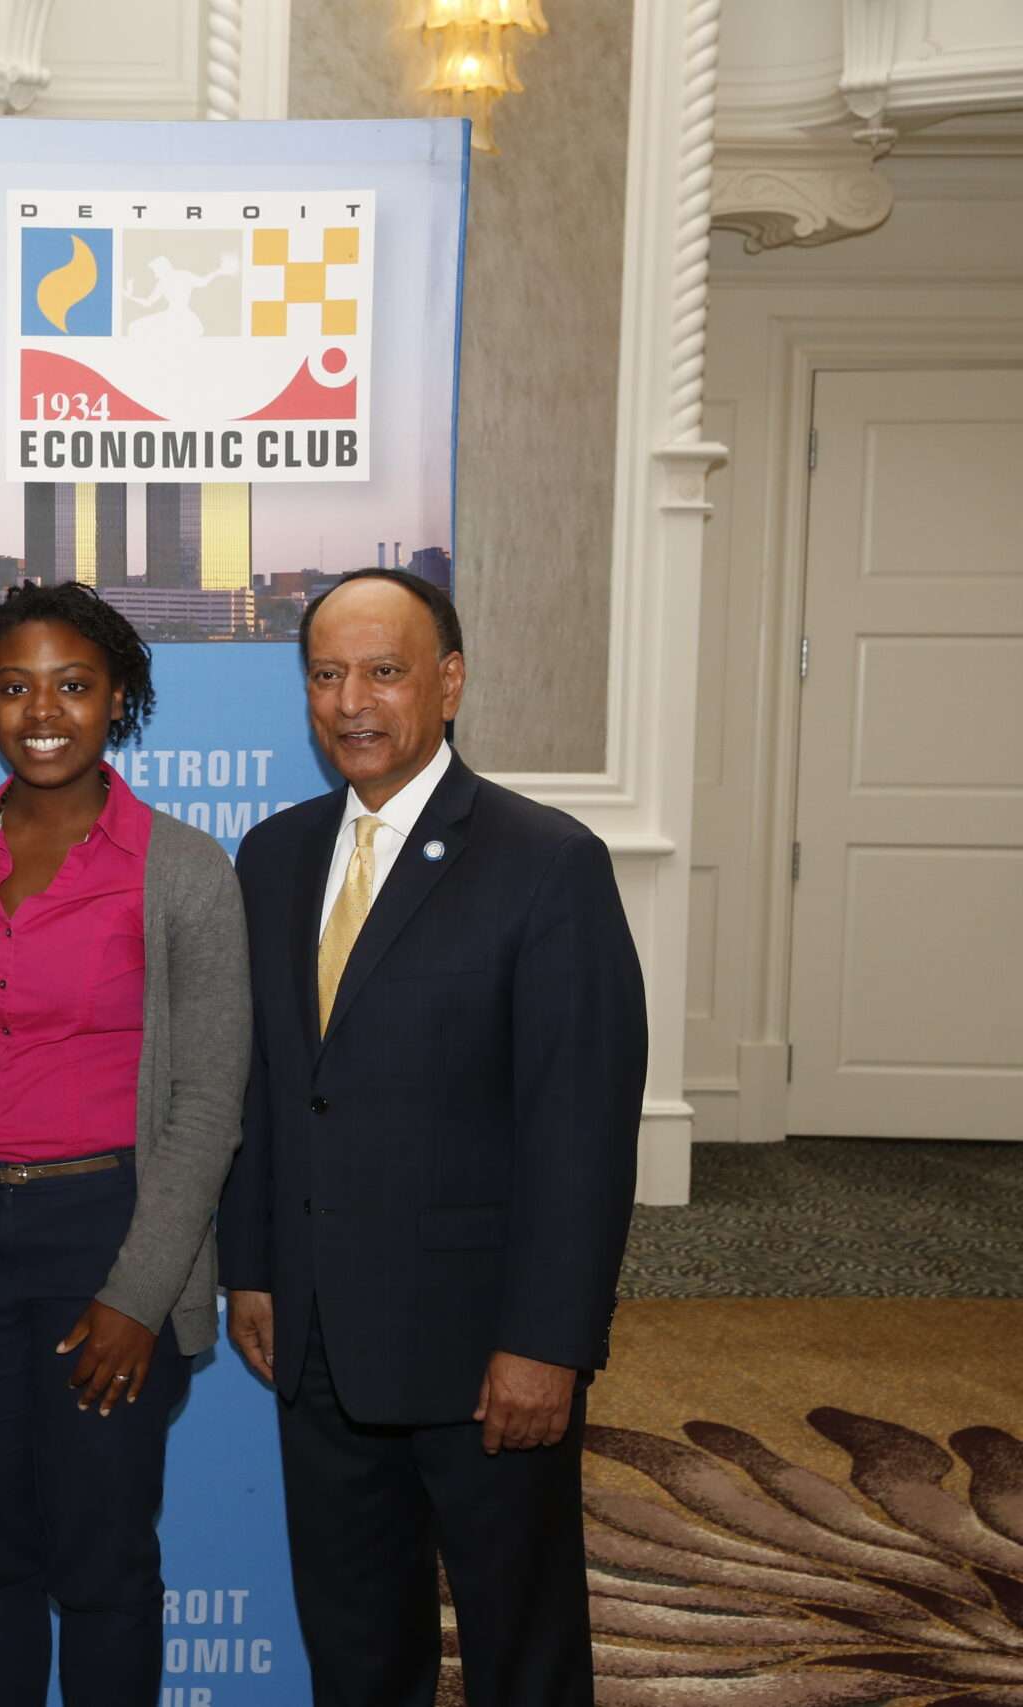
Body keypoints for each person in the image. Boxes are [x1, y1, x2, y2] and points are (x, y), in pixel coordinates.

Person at [216, 569, 646, 1707]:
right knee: (356, 1650)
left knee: (522, 1652)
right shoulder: (273, 855)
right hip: (316, 1339)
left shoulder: (546, 862)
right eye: (326, 674)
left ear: (448, 684)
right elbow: (266, 1086)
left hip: (482, 1353)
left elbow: (581, 1130)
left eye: (384, 672)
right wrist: (252, 1266)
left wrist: (547, 1342)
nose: (351, 701)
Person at [0, 582, 250, 1704]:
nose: (43, 711)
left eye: (74, 685)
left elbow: (208, 1102)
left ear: (119, 698)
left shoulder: (184, 869)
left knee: (102, 1559)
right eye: (15, 687)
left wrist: (140, 1294)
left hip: (107, 1236)